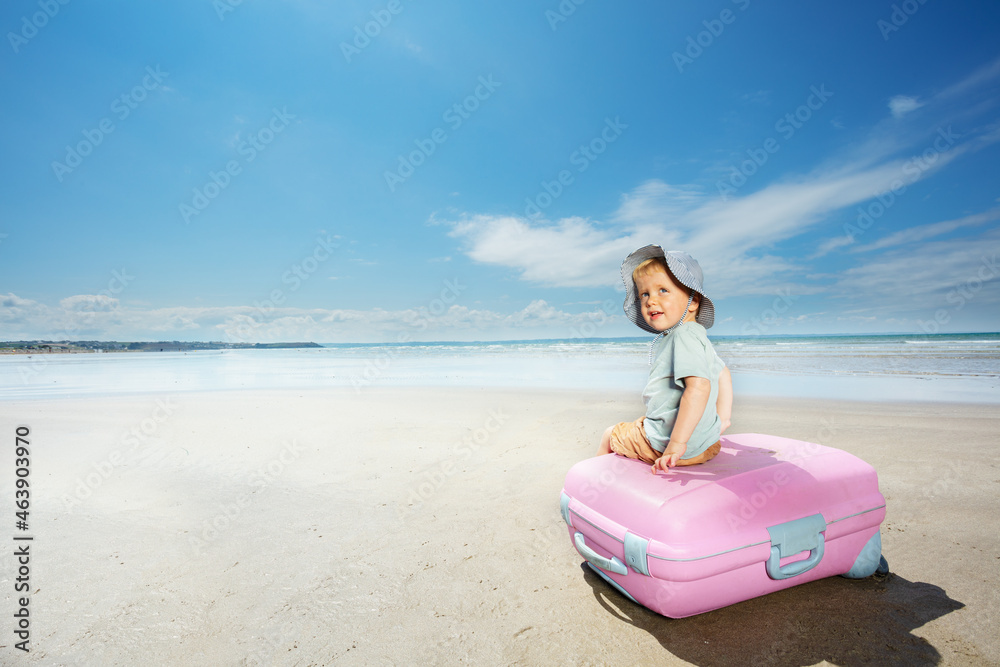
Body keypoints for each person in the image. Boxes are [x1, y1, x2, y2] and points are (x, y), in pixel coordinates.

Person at [596, 245, 732, 473]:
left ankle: (593, 482)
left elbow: (698, 387)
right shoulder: (697, 335)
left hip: (669, 447)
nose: (650, 301)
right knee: (643, 422)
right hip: (707, 445)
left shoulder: (682, 337)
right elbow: (722, 372)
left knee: (611, 434)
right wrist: (723, 419)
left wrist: (676, 444)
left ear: (694, 301)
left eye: (663, 291)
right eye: (644, 294)